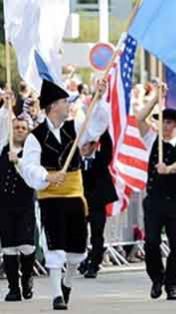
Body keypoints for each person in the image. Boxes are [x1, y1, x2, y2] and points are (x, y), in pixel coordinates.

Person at [20, 79, 109, 310]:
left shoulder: (74, 127)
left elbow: (97, 126)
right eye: (63, 101)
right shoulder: (35, 136)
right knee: (54, 245)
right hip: (51, 198)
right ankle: (57, 295)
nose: (68, 105)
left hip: (75, 195)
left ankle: (67, 282)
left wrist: (98, 98)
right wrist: (47, 176)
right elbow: (27, 166)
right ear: (52, 106)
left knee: (77, 247)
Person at [136, 87, 176, 301]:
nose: (165, 125)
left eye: (169, 122)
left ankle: (172, 284)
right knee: (151, 242)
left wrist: (168, 169)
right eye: (162, 121)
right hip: (155, 200)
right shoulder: (152, 139)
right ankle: (157, 278)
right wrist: (155, 98)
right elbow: (139, 119)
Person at [0, 94, 36, 302]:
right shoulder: (3, 147)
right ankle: (13, 288)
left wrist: (19, 162)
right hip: (4, 205)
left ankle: (27, 278)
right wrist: (7, 106)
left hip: (24, 205)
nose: (19, 130)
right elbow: (2, 124)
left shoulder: (31, 152)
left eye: (23, 128)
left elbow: (33, 177)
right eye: (16, 127)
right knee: (9, 247)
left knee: (26, 245)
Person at [78, 131, 117, 279]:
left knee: (97, 234)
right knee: (79, 234)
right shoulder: (75, 160)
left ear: (95, 145)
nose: (85, 147)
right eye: (83, 144)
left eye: (89, 144)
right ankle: (83, 259)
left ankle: (94, 264)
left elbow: (108, 146)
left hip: (97, 204)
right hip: (80, 203)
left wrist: (102, 128)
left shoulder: (101, 159)